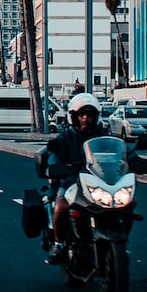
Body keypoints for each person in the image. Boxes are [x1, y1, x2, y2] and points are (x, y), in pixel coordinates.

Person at [44, 92, 105, 264]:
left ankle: (117, 243)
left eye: (90, 114)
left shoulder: (103, 135)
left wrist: (133, 160)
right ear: (74, 117)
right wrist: (57, 167)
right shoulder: (66, 137)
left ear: (96, 116)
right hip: (73, 181)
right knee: (60, 205)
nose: (85, 118)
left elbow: (120, 152)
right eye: (82, 114)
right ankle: (58, 244)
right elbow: (54, 154)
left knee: (130, 203)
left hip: (99, 182)